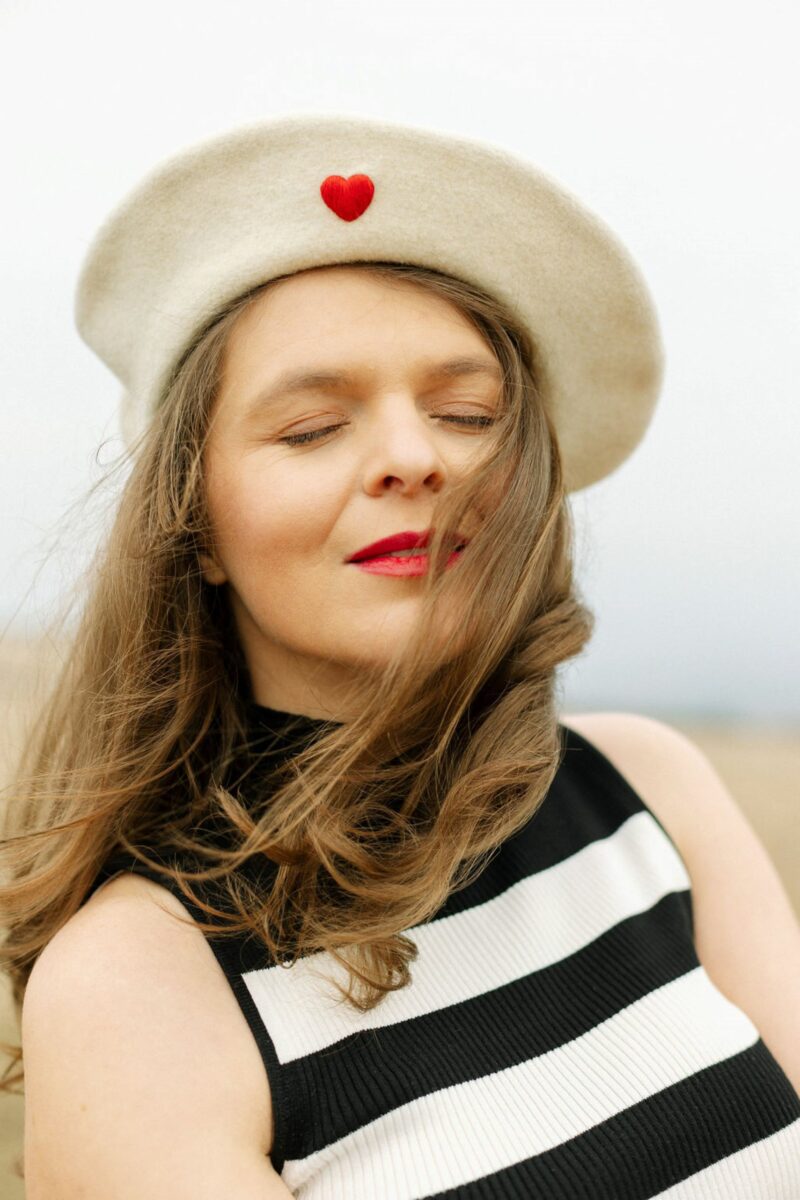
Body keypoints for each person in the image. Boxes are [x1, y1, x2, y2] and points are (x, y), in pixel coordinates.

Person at [2, 114, 798, 1199]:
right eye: (310, 427)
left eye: (466, 412)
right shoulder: (140, 978)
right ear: (195, 528)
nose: (414, 458)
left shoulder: (645, 788)